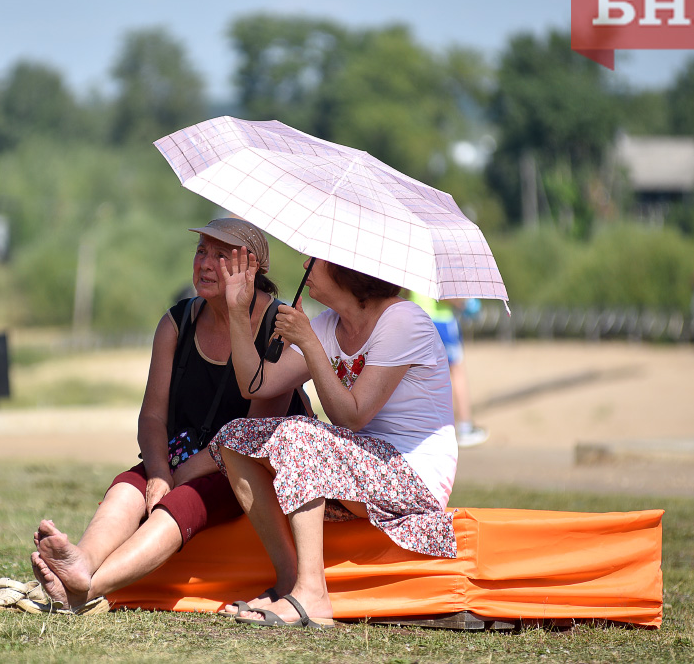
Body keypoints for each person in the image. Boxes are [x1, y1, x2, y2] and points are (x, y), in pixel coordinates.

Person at [29, 218, 299, 613]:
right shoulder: (178, 322)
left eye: (220, 256)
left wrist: (181, 475)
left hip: (243, 468)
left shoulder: (279, 327)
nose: (204, 264)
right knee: (129, 484)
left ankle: (84, 587)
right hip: (180, 452)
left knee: (185, 500)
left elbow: (255, 433)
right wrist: (158, 473)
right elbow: (152, 418)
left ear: (250, 268)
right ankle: (81, 561)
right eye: (201, 252)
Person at [208, 248, 458, 628]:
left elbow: (353, 415)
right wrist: (239, 314)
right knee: (235, 439)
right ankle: (288, 582)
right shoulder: (329, 324)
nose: (305, 266)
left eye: (316, 260)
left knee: (297, 435)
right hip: (360, 467)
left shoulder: (403, 320)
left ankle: (314, 594)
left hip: (412, 475)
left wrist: (308, 344)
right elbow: (257, 384)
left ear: (348, 267)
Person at [408, 292, 488, 448]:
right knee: (456, 372)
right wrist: (465, 303)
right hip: (441, 321)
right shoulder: (439, 266)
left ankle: (422, 427)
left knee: (418, 374)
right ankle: (465, 426)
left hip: (416, 318)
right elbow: (445, 294)